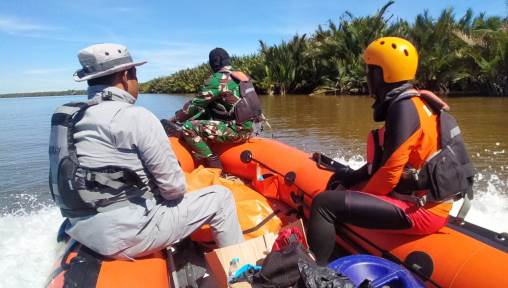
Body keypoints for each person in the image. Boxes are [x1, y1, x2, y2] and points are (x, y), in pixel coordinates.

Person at [48, 43, 243, 259]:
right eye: (135, 75)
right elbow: (175, 189)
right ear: (125, 76)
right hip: (126, 234)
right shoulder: (137, 117)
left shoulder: (69, 117)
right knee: (221, 197)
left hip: (80, 227)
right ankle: (239, 274)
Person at [308, 37, 474, 265]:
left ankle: (317, 271)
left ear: (381, 74)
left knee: (324, 204)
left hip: (422, 212)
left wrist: (357, 194)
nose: (367, 78)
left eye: (370, 71)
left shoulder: (403, 108)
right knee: (342, 181)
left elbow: (388, 174)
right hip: (427, 201)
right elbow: (389, 162)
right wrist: (349, 178)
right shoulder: (416, 101)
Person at [165, 47, 263, 169]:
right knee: (208, 109)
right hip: (251, 129)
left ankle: (213, 162)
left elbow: (194, 106)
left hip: (237, 132)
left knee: (188, 127)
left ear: (214, 63)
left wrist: (175, 119)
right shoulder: (241, 77)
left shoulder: (218, 80)